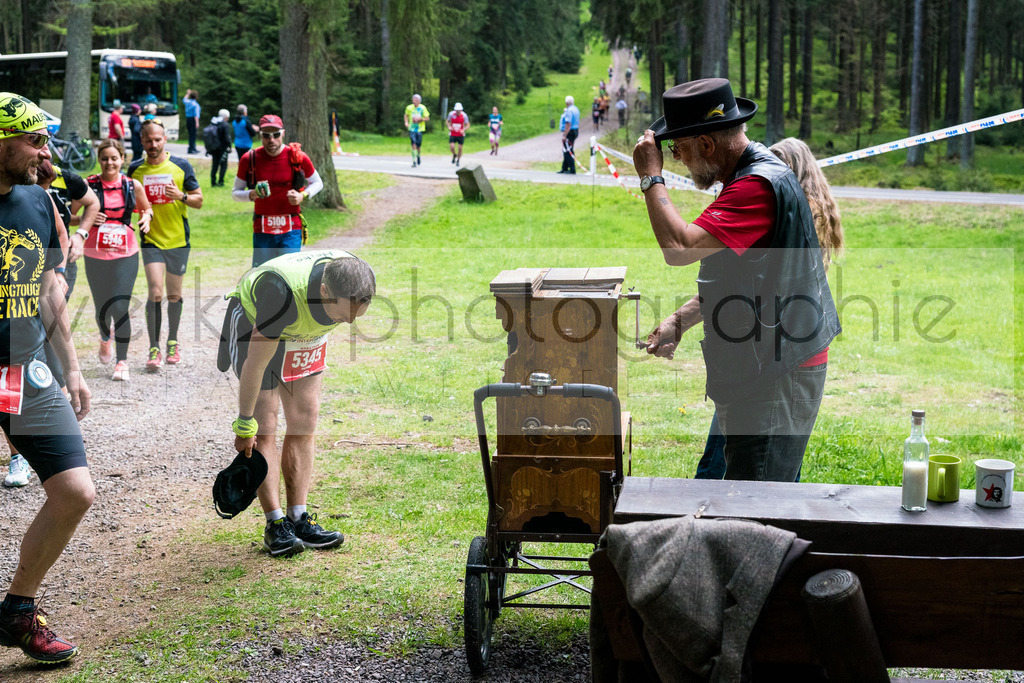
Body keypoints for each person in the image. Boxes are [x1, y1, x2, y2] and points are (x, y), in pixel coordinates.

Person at [634, 78, 840, 482]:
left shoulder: (756, 188)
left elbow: (679, 247)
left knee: (757, 507)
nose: (676, 158)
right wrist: (680, 319)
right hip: (769, 364)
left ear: (707, 145)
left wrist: (650, 176)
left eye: (678, 149)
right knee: (752, 492)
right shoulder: (750, 176)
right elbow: (748, 279)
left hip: (779, 371)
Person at [0, 91, 95, 663]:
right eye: (35, 141)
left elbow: (47, 289)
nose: (46, 154)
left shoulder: (38, 200)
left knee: (74, 491)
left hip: (21, 369)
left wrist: (73, 366)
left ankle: (16, 611)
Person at [693, 137, 846, 480]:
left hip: (775, 355)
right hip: (760, 356)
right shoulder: (790, 206)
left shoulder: (789, 209)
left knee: (756, 472)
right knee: (756, 463)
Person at [218, 250, 375, 557]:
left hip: (304, 333)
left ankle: (298, 518)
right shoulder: (281, 295)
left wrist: (340, 314)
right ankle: (275, 525)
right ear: (325, 291)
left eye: (358, 314)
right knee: (265, 426)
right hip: (260, 325)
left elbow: (344, 310)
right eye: (344, 315)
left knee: (305, 419)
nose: (351, 321)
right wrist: (244, 423)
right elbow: (255, 365)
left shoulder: (351, 280)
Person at [127, 119, 203, 372]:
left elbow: (198, 200)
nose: (153, 144)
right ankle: (154, 347)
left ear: (165, 139)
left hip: (178, 241)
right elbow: (126, 200)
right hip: (152, 241)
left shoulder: (181, 166)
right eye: (148, 140)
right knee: (155, 292)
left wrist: (180, 196)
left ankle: (173, 341)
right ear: (142, 141)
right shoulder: (135, 169)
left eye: (157, 139)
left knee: (173, 295)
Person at [82, 139, 153, 381]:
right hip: (95, 253)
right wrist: (89, 218)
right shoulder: (87, 185)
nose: (109, 162)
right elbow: (71, 217)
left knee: (120, 306)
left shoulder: (132, 185)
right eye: (105, 158)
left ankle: (122, 362)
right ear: (98, 159)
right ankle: (105, 337)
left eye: (114, 158)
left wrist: (146, 219)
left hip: (126, 253)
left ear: (122, 159)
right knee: (102, 308)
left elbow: (147, 208)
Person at [233, 114, 323, 267]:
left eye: (276, 135)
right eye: (266, 135)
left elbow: (317, 182)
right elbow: (235, 193)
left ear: (283, 133)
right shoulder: (250, 158)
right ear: (260, 135)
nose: (271, 140)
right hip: (262, 227)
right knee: (263, 274)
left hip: (291, 226)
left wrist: (303, 195)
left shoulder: (297, 156)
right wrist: (252, 194)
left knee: (288, 272)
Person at [403, 94, 429, 167]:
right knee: (413, 144)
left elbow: (427, 118)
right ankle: (414, 161)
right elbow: (406, 115)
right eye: (413, 100)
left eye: (416, 100)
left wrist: (421, 119)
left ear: (419, 101)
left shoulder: (423, 108)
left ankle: (418, 156)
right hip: (412, 128)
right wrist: (406, 122)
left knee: (418, 146)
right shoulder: (409, 108)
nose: (414, 101)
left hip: (420, 129)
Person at [208, 109, 233, 187]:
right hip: (222, 148)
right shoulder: (225, 125)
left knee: (214, 165)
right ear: (226, 117)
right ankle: (221, 182)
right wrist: (229, 146)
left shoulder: (213, 122)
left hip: (214, 148)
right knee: (223, 165)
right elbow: (227, 138)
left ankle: (213, 182)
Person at [557, 95, 580, 174]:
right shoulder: (575, 109)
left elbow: (568, 124)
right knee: (567, 150)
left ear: (567, 102)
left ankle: (572, 169)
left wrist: (564, 135)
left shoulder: (569, 111)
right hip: (575, 131)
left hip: (570, 132)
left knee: (568, 151)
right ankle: (565, 168)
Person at [446, 102, 469, 167]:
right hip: (453, 133)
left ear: (461, 110)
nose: (458, 112)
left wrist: (463, 130)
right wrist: (449, 127)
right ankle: (454, 154)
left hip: (460, 134)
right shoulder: (451, 114)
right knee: (452, 146)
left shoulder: (464, 115)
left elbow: (467, 124)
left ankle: (458, 160)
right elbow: (448, 121)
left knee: (460, 148)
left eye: (459, 110)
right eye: (457, 110)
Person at [183, 89, 200, 154]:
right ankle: (191, 149)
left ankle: (193, 148)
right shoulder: (195, 105)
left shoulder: (188, 102)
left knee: (190, 135)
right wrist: (197, 123)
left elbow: (184, 99)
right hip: (193, 120)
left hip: (188, 119)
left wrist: (188, 93)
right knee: (193, 135)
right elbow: (196, 115)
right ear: (196, 97)